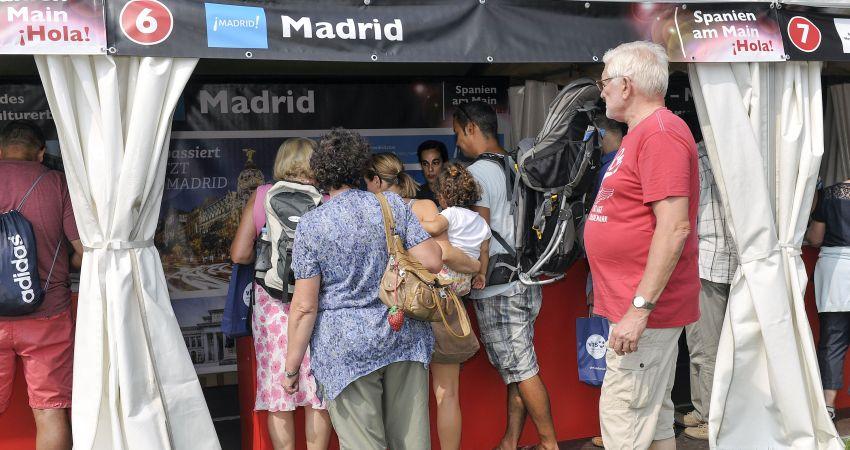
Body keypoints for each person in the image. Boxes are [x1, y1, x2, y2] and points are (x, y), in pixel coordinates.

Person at [283, 129, 443, 450]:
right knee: (411, 443)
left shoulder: (313, 225)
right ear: (360, 168)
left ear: (320, 173)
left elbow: (304, 307)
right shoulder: (392, 206)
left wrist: (291, 368)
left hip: (346, 349)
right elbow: (433, 260)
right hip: (403, 336)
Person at [585, 41, 700, 450]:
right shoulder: (644, 133)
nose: (602, 91)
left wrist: (639, 310)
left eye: (605, 82)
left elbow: (673, 229)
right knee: (653, 420)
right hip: (635, 305)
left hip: (645, 311)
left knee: (624, 418)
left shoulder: (661, 134)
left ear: (626, 85)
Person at [453, 101, 558, 450]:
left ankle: (548, 443)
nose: (458, 143)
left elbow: (478, 232)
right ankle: (511, 441)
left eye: (458, 134)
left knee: (523, 370)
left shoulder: (479, 172)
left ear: (471, 128)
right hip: (525, 280)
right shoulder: (516, 163)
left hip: (498, 287)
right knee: (517, 367)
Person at [363, 152, 480, 450]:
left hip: (390, 312)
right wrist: (477, 266)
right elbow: (444, 255)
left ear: (374, 181)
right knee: (447, 394)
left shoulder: (366, 211)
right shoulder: (424, 206)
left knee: (393, 396)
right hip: (433, 305)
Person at [230, 138, 331, 450]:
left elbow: (239, 254)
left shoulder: (262, 196)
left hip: (272, 304)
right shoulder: (325, 200)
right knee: (317, 392)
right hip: (315, 302)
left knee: (278, 391)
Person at [0, 120, 84, 450]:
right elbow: (84, 251)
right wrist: (61, 263)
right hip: (47, 314)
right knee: (49, 412)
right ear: (40, 153)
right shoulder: (55, 183)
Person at [680, 141, 738, 441]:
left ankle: (711, 418)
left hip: (707, 260)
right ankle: (704, 409)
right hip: (736, 260)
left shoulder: (697, 155)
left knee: (704, 346)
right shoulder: (741, 153)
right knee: (714, 345)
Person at [584, 115, 626, 449]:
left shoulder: (610, 169)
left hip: (610, 280)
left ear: (601, 135)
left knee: (610, 353)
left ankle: (611, 430)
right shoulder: (622, 163)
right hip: (619, 278)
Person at [807, 175, 850, 422]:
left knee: (833, 340)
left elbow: (815, 238)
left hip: (836, 273)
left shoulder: (830, 194)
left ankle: (828, 405)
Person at [421, 162, 491, 295]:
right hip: (464, 283)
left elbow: (435, 228)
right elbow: (485, 252)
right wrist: (481, 274)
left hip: (445, 277)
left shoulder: (451, 213)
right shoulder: (483, 223)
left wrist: (416, 222)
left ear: (442, 196)